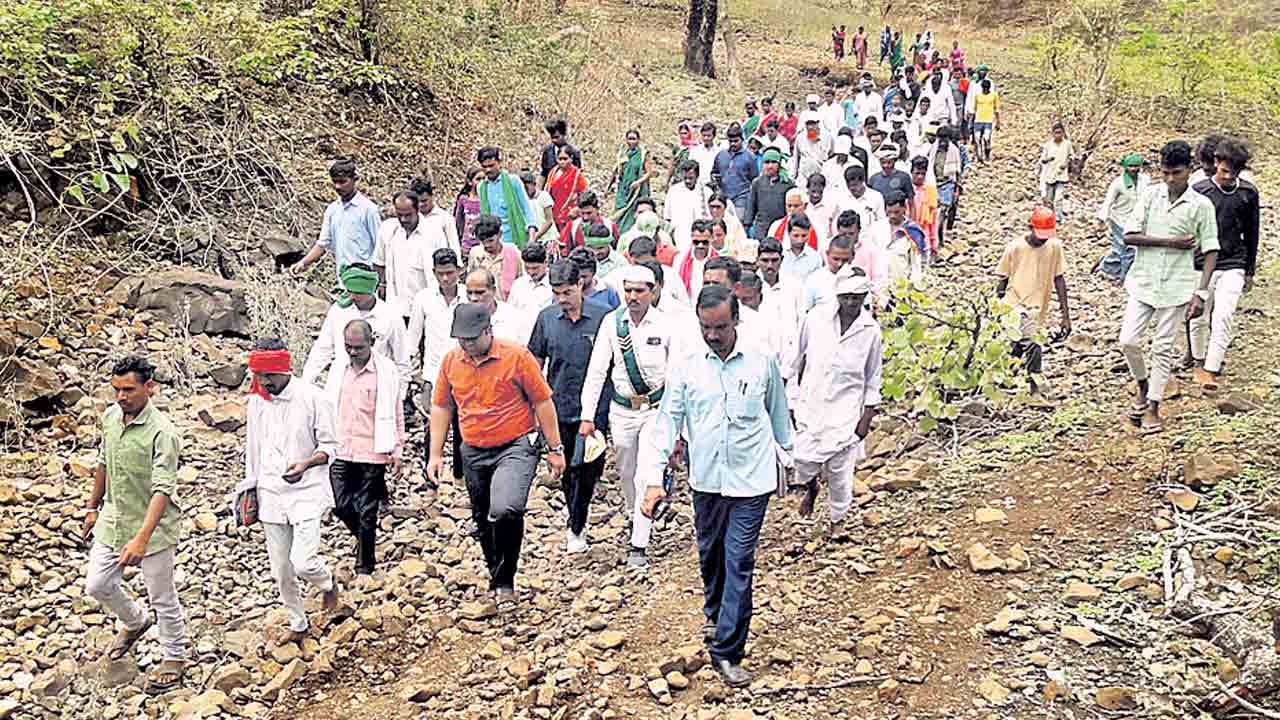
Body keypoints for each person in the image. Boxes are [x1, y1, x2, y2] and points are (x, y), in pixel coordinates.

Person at [640, 286, 793, 688]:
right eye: (706, 327)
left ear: (736, 321)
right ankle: (715, 612)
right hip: (706, 480)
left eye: (721, 328)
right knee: (711, 557)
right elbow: (666, 423)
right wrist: (654, 480)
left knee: (739, 559)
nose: (713, 335)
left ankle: (728, 650)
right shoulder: (687, 367)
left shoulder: (762, 363)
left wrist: (797, 467)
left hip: (751, 480)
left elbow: (780, 421)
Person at [427, 303, 565, 604]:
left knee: (505, 508)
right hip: (474, 448)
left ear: (488, 331)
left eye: (472, 339)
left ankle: (505, 581)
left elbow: (543, 402)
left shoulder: (516, 357)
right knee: (483, 516)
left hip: (515, 444)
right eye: (462, 340)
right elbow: (441, 406)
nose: (467, 345)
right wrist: (435, 454)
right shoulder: (452, 361)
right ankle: (496, 573)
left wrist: (555, 448)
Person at [83, 356, 187, 695]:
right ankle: (134, 621)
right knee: (97, 585)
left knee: (162, 596)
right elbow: (103, 462)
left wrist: (142, 539)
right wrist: (91, 507)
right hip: (114, 518)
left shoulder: (163, 433)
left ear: (149, 387)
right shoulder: (111, 418)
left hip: (152, 526)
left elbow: (162, 488)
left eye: (128, 389)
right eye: (116, 390)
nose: (121, 397)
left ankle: (174, 657)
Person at [242, 339, 341, 646]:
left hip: (307, 490)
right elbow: (253, 450)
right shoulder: (257, 402)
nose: (264, 382)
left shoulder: (314, 398)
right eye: (259, 376)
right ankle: (298, 623)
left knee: (303, 562)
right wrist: (250, 491)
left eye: (269, 376)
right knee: (281, 569)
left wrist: (306, 464)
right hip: (271, 492)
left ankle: (328, 584)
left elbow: (331, 447)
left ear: (286, 369)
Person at [1120, 140, 1219, 433]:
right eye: (1165, 172)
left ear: (1189, 170)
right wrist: (1170, 242)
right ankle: (1142, 383)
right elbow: (1130, 236)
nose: (1170, 179)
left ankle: (1153, 406)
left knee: (1162, 347)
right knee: (1128, 341)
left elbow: (1212, 249)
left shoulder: (1201, 206)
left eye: (1176, 172)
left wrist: (1201, 292)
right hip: (1144, 280)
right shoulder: (1151, 196)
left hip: (1178, 285)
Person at [580, 264, 673, 568]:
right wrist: (587, 415)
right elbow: (596, 372)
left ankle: (639, 543)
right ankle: (638, 513)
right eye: (628, 290)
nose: (632, 297)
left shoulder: (665, 325)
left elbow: (676, 376)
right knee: (627, 470)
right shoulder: (612, 324)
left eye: (639, 291)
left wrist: (677, 423)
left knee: (645, 470)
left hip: (655, 410)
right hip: (622, 411)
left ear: (653, 292)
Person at [527, 260, 609, 554]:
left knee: (587, 469)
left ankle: (578, 519)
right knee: (568, 470)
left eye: (566, 292)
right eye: (556, 293)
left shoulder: (603, 318)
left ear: (580, 286)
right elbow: (534, 364)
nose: (561, 299)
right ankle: (576, 524)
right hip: (558, 407)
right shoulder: (546, 319)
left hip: (595, 411)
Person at [788, 267, 881, 524]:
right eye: (846, 296)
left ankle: (837, 521)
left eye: (856, 297)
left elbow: (873, 377)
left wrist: (866, 419)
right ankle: (811, 488)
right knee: (803, 459)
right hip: (811, 402)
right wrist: (793, 399)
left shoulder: (870, 330)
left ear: (864, 298)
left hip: (845, 409)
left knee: (840, 472)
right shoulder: (815, 319)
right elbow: (797, 359)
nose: (850, 303)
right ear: (837, 295)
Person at [331, 319, 405, 577]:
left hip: (373, 449)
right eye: (348, 347)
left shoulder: (386, 371)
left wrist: (397, 449)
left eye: (358, 348)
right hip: (341, 447)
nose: (352, 352)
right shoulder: (338, 368)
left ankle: (365, 565)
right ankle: (365, 540)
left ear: (372, 343)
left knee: (367, 510)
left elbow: (396, 411)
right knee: (340, 504)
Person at [1187, 137, 1260, 390]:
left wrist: (1249, 269)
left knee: (1225, 314)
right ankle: (1197, 360)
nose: (1229, 177)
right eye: (1225, 171)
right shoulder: (1199, 191)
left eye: (1235, 172)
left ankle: (1211, 367)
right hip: (1200, 262)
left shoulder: (1248, 193)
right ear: (1216, 163)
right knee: (1199, 315)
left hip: (1234, 261)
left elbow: (1253, 232)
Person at [304, 265, 411, 408]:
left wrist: (400, 396)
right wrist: (305, 383)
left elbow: (402, 359)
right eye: (349, 292)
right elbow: (322, 349)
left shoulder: (390, 316)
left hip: (376, 389)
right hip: (340, 385)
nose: (353, 297)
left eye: (358, 293)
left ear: (371, 290)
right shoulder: (338, 312)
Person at [995, 207, 1072, 395]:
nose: (1043, 239)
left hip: (1038, 307)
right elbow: (1002, 280)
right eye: (1040, 235)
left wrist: (1066, 315)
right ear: (1030, 227)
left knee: (1018, 345)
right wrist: (997, 311)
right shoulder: (1015, 248)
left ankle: (1006, 379)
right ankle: (1034, 385)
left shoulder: (1054, 247)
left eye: (1046, 235)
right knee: (1033, 343)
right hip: (1013, 303)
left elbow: (1059, 279)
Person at [408, 249, 467, 484]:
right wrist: (414, 374)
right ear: (434, 273)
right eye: (441, 274)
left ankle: (462, 475)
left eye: (450, 273)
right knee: (433, 424)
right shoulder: (423, 298)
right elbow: (413, 337)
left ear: (459, 271)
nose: (445, 279)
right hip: (434, 372)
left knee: (463, 425)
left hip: (464, 372)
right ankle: (430, 473)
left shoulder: (468, 296)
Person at [375, 184, 460, 320]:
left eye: (408, 215)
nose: (403, 220)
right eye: (400, 215)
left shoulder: (433, 232)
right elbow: (379, 261)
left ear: (417, 210)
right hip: (396, 305)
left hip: (427, 306)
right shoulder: (388, 230)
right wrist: (382, 284)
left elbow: (443, 265)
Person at [291, 158, 380, 278]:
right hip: (343, 278)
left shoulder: (368, 209)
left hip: (365, 280)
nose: (338, 186)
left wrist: (381, 280)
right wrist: (303, 263)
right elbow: (323, 244)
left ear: (355, 180)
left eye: (343, 182)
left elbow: (380, 246)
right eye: (335, 182)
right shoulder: (332, 210)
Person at [1095, 153, 1149, 282]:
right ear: (1125, 167)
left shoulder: (1145, 180)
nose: (1134, 169)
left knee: (1120, 249)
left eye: (1136, 166)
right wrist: (1102, 219)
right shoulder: (1118, 183)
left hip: (1137, 220)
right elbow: (1108, 201)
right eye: (1130, 166)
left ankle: (1106, 267)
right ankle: (1124, 277)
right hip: (1120, 219)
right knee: (1127, 249)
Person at [476, 146, 538, 249]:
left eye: (491, 165)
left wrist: (531, 239)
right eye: (484, 167)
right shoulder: (481, 187)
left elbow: (527, 209)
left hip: (515, 239)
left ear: (499, 163)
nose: (488, 170)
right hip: (494, 243)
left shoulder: (513, 181)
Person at [467, 214, 525, 301]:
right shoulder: (476, 253)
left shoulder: (513, 253)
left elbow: (522, 280)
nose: (487, 245)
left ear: (500, 235)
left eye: (491, 241)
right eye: (483, 241)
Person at [465, 267, 528, 344]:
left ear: (493, 290)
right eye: (469, 293)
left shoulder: (515, 317)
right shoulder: (461, 318)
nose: (473, 298)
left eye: (480, 293)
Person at [926, 126, 964, 247]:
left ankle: (937, 236)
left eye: (945, 139)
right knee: (933, 211)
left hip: (948, 183)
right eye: (940, 139)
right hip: (934, 182)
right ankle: (938, 237)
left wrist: (957, 189)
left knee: (942, 211)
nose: (942, 142)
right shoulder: (933, 150)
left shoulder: (954, 151)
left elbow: (958, 172)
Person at [610, 129, 653, 234]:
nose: (631, 142)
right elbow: (616, 171)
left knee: (634, 212)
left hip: (637, 191)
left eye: (634, 139)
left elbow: (648, 173)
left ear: (638, 140)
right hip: (624, 190)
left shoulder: (643, 155)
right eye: (629, 139)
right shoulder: (623, 154)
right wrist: (609, 186)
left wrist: (639, 181)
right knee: (620, 213)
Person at [746, 150, 795, 241]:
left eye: (773, 162)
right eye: (767, 162)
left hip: (780, 227)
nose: (770, 166)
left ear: (779, 164)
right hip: (761, 228)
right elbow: (751, 206)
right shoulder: (757, 183)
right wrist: (747, 225)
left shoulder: (788, 184)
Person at [712, 124, 758, 219]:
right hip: (723, 196)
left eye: (736, 141)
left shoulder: (750, 157)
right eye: (730, 141)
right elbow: (714, 172)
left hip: (741, 197)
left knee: (738, 224)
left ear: (742, 140)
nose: (733, 144)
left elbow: (754, 180)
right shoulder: (721, 155)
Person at [883, 191, 926, 291]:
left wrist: (914, 285)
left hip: (902, 284)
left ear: (904, 208)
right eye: (889, 212)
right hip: (881, 284)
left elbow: (916, 262)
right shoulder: (877, 228)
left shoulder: (913, 232)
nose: (892, 216)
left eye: (896, 212)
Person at [665, 160, 712, 249]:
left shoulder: (706, 192)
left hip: (701, 238)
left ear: (697, 176)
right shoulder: (674, 191)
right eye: (685, 178)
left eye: (691, 178)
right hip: (680, 235)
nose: (687, 181)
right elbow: (668, 217)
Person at [557, 190, 619, 257]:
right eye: (582, 213)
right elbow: (564, 251)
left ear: (597, 209)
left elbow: (617, 250)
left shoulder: (610, 226)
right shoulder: (572, 227)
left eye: (589, 213)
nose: (585, 217)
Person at [545, 145, 589, 237]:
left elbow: (586, 194)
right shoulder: (553, 172)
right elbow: (547, 190)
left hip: (569, 215)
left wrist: (578, 208)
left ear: (571, 158)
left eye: (565, 159)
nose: (562, 162)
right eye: (560, 159)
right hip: (553, 213)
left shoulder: (577, 175)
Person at [507, 243, 555, 317]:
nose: (531, 272)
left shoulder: (554, 284)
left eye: (535, 268)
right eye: (527, 268)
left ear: (546, 263)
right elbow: (510, 312)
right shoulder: (518, 285)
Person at [1039, 122, 1074, 221]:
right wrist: (1048, 159)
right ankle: (1049, 218)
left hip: (1061, 175)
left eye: (1060, 133)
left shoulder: (1067, 144)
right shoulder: (1048, 145)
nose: (1058, 135)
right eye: (1056, 133)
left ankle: (1058, 217)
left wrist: (1066, 164)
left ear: (1063, 133)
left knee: (1058, 198)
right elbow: (1042, 160)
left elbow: (1071, 157)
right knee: (1049, 199)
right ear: (1052, 133)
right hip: (1050, 175)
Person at [570, 245, 622, 311]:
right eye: (576, 276)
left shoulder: (608, 292)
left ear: (593, 273)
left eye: (584, 277)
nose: (580, 280)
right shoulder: (562, 293)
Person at [675, 219, 717, 300]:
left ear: (712, 238)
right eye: (696, 242)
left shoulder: (718, 260)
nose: (700, 246)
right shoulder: (679, 260)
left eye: (705, 242)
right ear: (691, 237)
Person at [868, 144, 915, 216]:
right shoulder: (873, 179)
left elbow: (911, 203)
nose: (886, 165)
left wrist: (912, 221)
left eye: (889, 162)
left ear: (895, 161)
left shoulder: (904, 177)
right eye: (883, 162)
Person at [909, 156, 940, 263]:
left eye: (923, 174)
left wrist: (934, 244)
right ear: (911, 172)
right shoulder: (906, 189)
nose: (920, 177)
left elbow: (934, 220)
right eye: (917, 173)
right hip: (907, 236)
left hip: (924, 237)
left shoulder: (930, 191)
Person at [779, 213, 822, 285]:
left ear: (809, 233)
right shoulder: (780, 253)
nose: (800, 240)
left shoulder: (815, 257)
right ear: (789, 233)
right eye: (796, 236)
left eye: (804, 236)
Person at [791, 113, 831, 191]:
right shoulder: (800, 138)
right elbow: (796, 158)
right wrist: (793, 176)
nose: (810, 127)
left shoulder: (828, 138)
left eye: (813, 124)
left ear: (818, 124)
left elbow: (831, 156)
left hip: (820, 177)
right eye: (808, 124)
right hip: (803, 177)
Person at [540, 118, 582, 186]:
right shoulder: (547, 151)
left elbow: (577, 176)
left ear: (564, 135)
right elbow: (543, 173)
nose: (554, 140)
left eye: (557, 137)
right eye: (552, 137)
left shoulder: (574, 152)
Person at [454, 168, 484, 260]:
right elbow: (458, 221)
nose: (481, 182)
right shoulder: (464, 199)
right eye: (478, 179)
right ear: (470, 182)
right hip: (467, 245)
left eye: (484, 179)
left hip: (482, 245)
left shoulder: (486, 199)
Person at [805, 174, 838, 251]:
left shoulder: (832, 208)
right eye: (813, 191)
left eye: (819, 191)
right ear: (807, 188)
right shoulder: (803, 206)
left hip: (825, 247)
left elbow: (834, 232)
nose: (816, 195)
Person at [523, 170, 556, 246]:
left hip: (547, 238)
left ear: (534, 185)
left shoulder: (544, 196)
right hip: (530, 239)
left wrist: (535, 237)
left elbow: (549, 221)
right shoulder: (523, 200)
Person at [689, 122, 724, 190]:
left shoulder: (719, 152)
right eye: (704, 135)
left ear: (713, 136)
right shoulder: (695, 151)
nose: (706, 138)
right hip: (698, 186)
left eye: (708, 136)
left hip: (714, 187)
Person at [971, 79, 999, 162]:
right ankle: (978, 156)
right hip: (978, 120)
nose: (985, 90)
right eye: (984, 88)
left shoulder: (994, 96)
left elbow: (996, 109)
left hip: (988, 120)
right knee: (977, 138)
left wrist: (998, 121)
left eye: (987, 88)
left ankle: (987, 155)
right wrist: (972, 120)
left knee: (986, 138)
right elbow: (975, 109)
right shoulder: (978, 96)